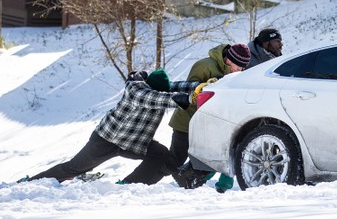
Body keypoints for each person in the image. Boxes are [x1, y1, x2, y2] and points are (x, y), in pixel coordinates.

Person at [20, 69, 198, 185]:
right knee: (75, 167)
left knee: (160, 154)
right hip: (106, 140)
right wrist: (187, 99)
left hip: (134, 143)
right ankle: (33, 182)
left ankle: (129, 186)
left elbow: (178, 86)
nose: (163, 93)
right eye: (160, 92)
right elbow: (156, 98)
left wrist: (200, 88)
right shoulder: (136, 91)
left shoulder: (159, 89)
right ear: (150, 86)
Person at [169, 43, 251, 191]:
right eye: (237, 66)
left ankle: (190, 183)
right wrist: (208, 86)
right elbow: (188, 90)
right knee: (175, 160)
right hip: (186, 120)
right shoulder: (205, 65)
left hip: (208, 124)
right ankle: (147, 181)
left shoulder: (235, 74)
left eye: (242, 68)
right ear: (229, 59)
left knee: (205, 157)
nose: (239, 70)